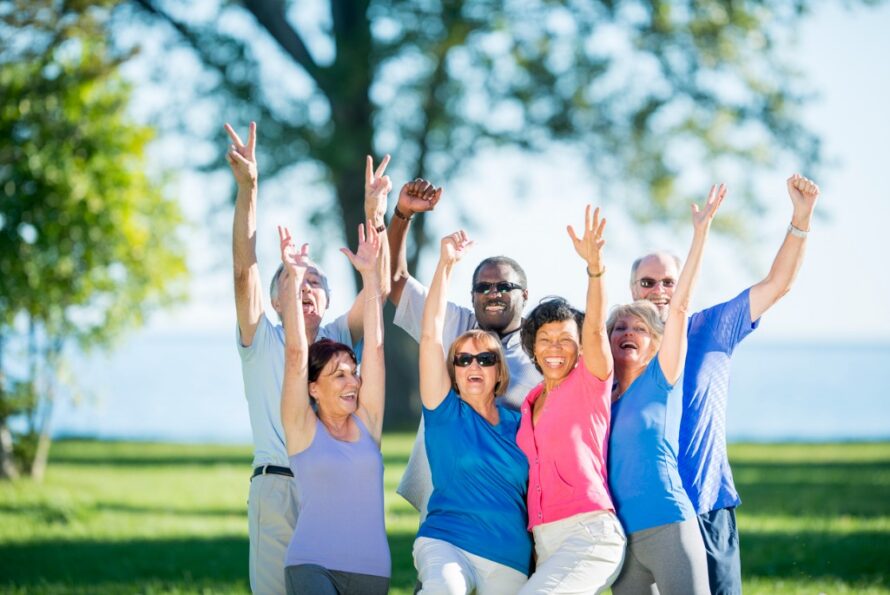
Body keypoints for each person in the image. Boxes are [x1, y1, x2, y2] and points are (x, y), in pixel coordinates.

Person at [628, 174, 819, 595]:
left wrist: (800, 219)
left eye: (668, 282)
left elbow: (778, 284)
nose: (659, 291)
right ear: (632, 289)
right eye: (647, 282)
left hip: (706, 503)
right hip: (644, 514)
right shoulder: (619, 347)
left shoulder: (713, 327)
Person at [226, 120, 392, 594]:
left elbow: (375, 292)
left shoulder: (339, 339)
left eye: (316, 282)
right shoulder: (262, 339)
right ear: (276, 299)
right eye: (295, 281)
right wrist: (249, 189)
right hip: (280, 487)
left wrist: (374, 214)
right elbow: (244, 271)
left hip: (338, 487)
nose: (306, 287)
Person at [387, 181, 542, 519]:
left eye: (505, 286)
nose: (493, 293)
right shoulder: (453, 324)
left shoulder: (543, 346)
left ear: (525, 295)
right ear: (472, 296)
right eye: (483, 287)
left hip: (515, 499)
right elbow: (395, 280)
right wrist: (402, 215)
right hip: (449, 492)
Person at [607, 184, 725, 595]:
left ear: (654, 343)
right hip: (618, 539)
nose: (628, 333)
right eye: (619, 326)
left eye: (640, 328)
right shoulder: (602, 396)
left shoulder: (662, 378)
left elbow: (679, 306)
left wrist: (701, 233)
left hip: (669, 523)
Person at [413, 230, 533, 594]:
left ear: (500, 370)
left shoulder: (523, 424)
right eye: (463, 359)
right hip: (447, 542)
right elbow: (432, 334)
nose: (473, 365)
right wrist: (446, 264)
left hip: (509, 557)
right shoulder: (444, 412)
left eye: (485, 358)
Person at [516, 206, 626, 594]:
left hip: (589, 533)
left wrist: (595, 270)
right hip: (545, 538)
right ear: (532, 347)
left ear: (579, 347)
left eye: (566, 338)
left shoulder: (589, 381)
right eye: (545, 339)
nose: (555, 348)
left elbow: (595, 328)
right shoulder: (530, 400)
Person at [277, 222, 389, 594]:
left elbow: (373, 348)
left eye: (353, 374)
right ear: (314, 387)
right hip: (312, 564)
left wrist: (371, 278)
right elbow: (296, 354)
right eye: (338, 375)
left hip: (372, 572)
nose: (353, 382)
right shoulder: (301, 428)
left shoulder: (367, 423)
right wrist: (293, 283)